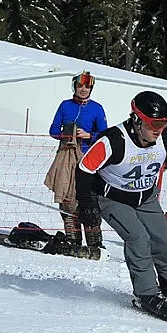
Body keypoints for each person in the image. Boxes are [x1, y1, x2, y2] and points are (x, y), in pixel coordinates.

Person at [75, 91, 167, 320]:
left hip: (146, 197)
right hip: (112, 198)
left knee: (164, 240)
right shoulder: (113, 139)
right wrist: (86, 204)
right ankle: (147, 294)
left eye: (163, 122)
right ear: (137, 120)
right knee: (138, 239)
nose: (159, 129)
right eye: (154, 123)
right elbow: (84, 170)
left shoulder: (166, 136)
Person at [43, 71, 107, 257]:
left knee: (88, 199)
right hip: (66, 158)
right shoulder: (65, 106)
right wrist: (66, 134)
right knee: (68, 199)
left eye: (87, 86)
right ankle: (73, 240)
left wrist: (89, 136)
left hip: (88, 160)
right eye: (81, 86)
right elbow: (53, 130)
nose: (84, 89)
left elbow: (104, 136)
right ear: (75, 87)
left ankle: (95, 243)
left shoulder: (97, 108)